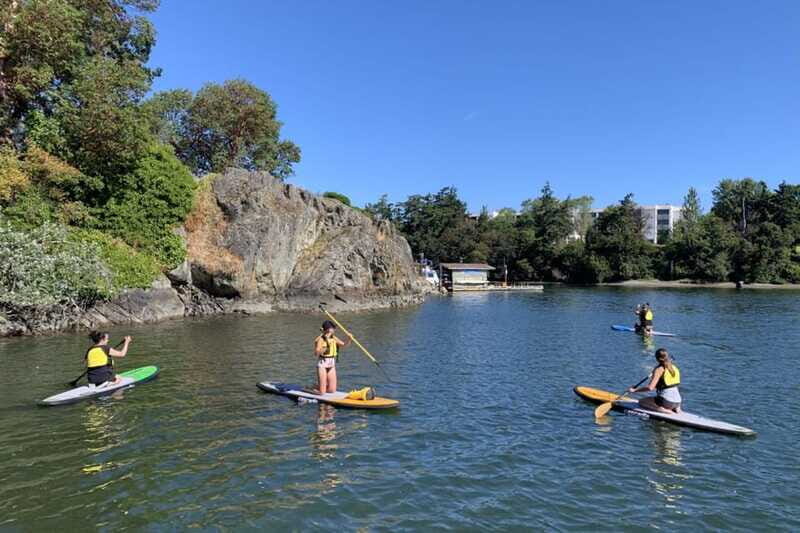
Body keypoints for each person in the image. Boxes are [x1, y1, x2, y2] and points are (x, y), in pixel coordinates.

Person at [628, 348, 682, 414]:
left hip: (667, 402)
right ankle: (677, 409)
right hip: (678, 402)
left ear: (657, 359)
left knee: (642, 402)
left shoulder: (659, 369)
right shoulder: (673, 367)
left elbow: (650, 388)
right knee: (664, 396)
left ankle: (662, 410)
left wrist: (634, 390)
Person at [314, 320, 351, 394]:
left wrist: (349, 338)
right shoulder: (321, 339)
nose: (335, 329)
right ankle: (310, 389)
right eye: (333, 328)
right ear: (329, 329)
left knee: (332, 390)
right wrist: (324, 349)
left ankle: (318, 386)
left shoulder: (333, 338)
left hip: (331, 364)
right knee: (322, 392)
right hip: (322, 365)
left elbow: (344, 345)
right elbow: (316, 353)